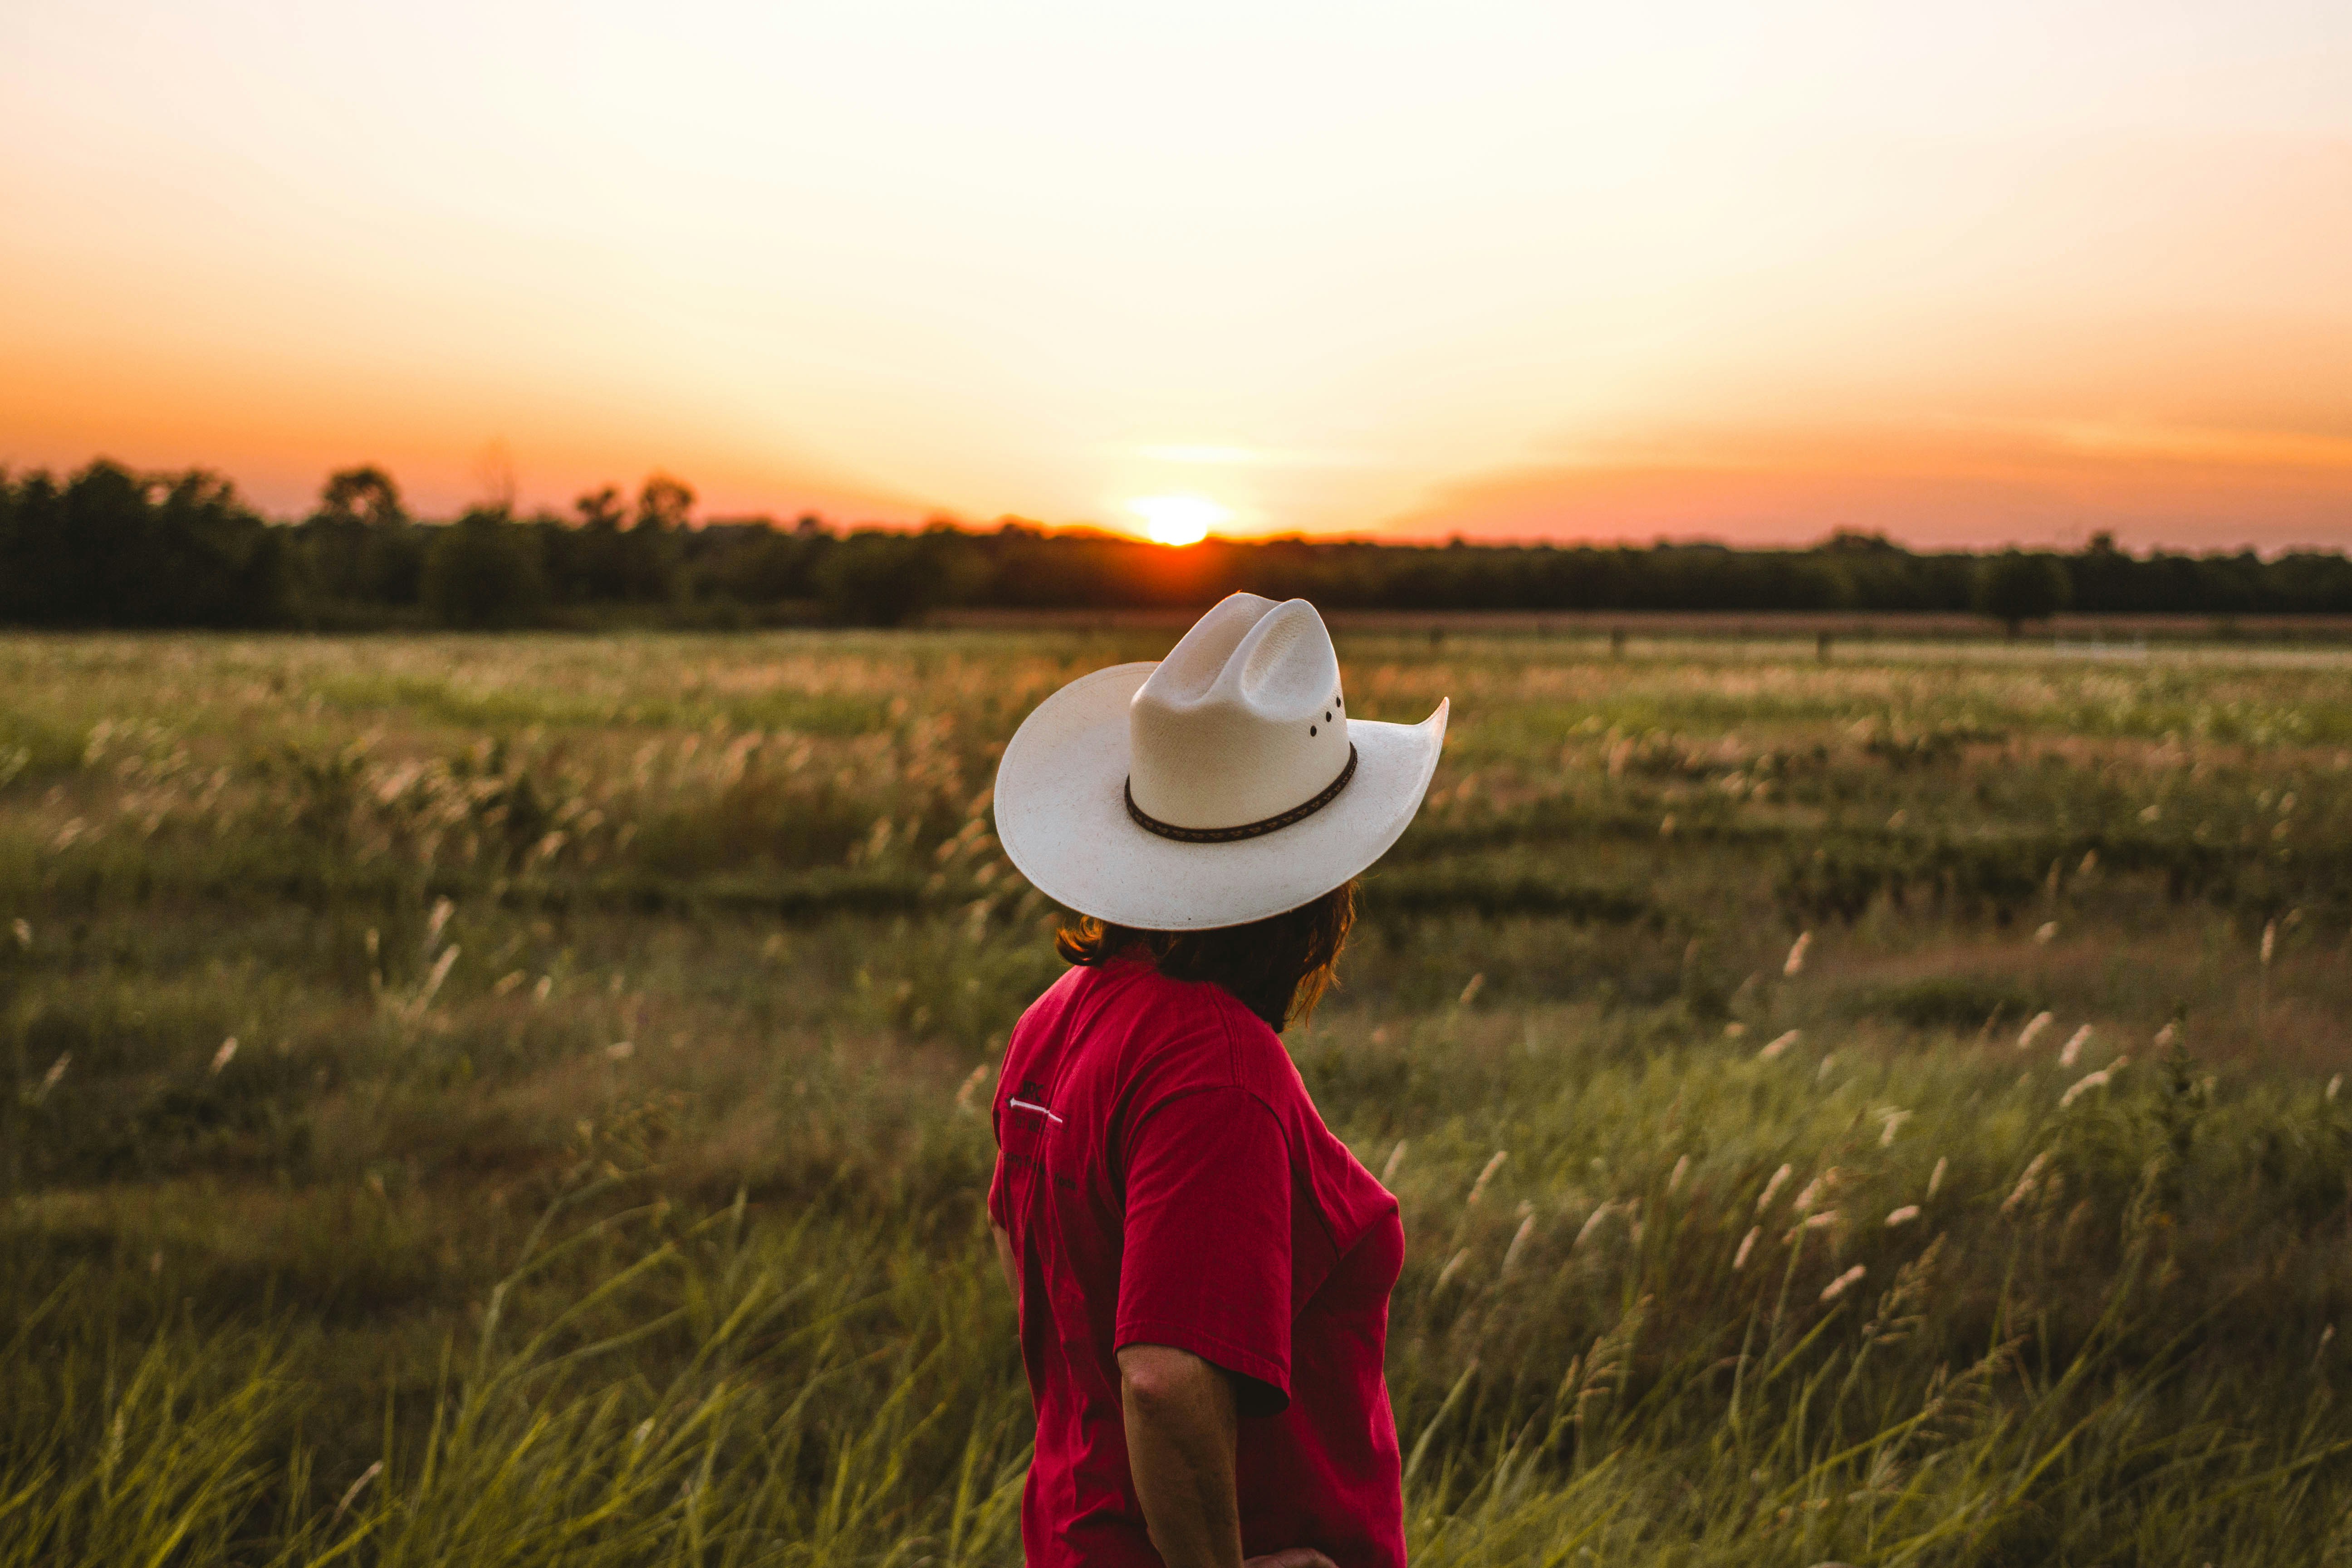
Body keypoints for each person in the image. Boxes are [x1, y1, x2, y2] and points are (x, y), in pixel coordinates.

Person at [988, 593, 1450, 1568]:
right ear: (1321, 881)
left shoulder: (1059, 1015)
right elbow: (1161, 1376)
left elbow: (1022, 1252)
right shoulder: (1220, 1070)